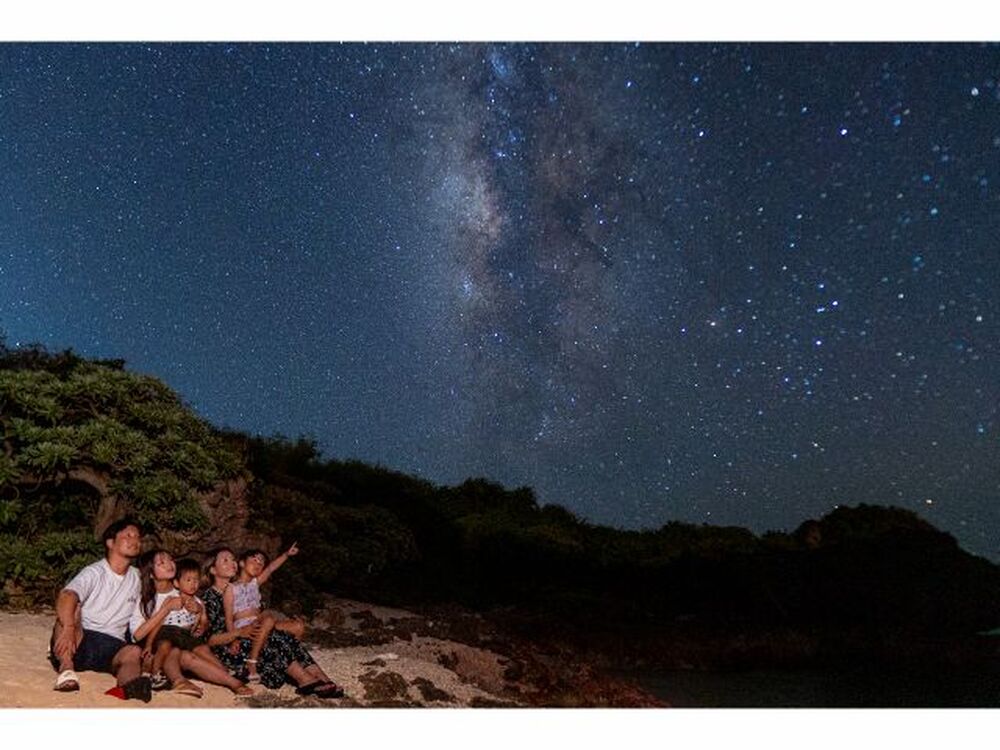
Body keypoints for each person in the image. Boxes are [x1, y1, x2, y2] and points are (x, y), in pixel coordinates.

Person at [204, 547, 343, 698]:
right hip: (232, 650)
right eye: (225, 560)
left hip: (252, 634)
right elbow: (209, 640)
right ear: (213, 570)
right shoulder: (210, 598)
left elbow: (258, 614)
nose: (232, 563)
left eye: (232, 559)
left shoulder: (243, 586)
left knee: (285, 636)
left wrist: (271, 624)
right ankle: (304, 679)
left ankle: (321, 677)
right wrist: (237, 635)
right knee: (275, 638)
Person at [48, 518, 151, 701]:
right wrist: (70, 627)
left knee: (133, 652)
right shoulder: (95, 572)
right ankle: (66, 668)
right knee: (71, 610)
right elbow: (67, 595)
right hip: (81, 640)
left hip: (113, 646)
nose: (135, 540)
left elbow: (138, 623)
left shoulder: (137, 578)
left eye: (137, 537)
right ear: (110, 543)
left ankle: (128, 687)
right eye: (128, 535)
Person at [130, 549, 253, 698]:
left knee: (196, 651)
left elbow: (200, 624)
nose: (169, 564)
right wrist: (165, 609)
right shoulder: (147, 599)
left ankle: (230, 678)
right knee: (177, 652)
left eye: (170, 559)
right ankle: (173, 680)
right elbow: (137, 635)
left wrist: (199, 615)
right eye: (162, 563)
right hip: (159, 648)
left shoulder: (184, 591)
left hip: (184, 641)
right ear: (150, 573)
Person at [224, 544, 307, 682]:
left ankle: (290, 659)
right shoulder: (231, 588)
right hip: (245, 628)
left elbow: (271, 568)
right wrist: (233, 639)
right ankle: (251, 662)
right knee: (268, 619)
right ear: (242, 563)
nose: (258, 564)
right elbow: (228, 618)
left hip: (262, 625)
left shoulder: (255, 583)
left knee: (298, 626)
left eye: (261, 563)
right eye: (254, 560)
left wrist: (286, 554)